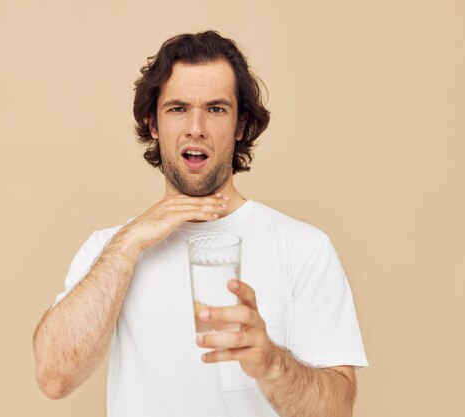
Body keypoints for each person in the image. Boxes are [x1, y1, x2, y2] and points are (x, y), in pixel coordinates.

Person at [32, 30, 368, 417]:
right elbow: (54, 377)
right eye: (177, 108)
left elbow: (337, 411)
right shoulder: (108, 249)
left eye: (216, 109)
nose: (196, 127)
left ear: (240, 125)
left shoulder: (304, 248)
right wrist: (129, 243)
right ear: (153, 124)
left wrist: (272, 363)